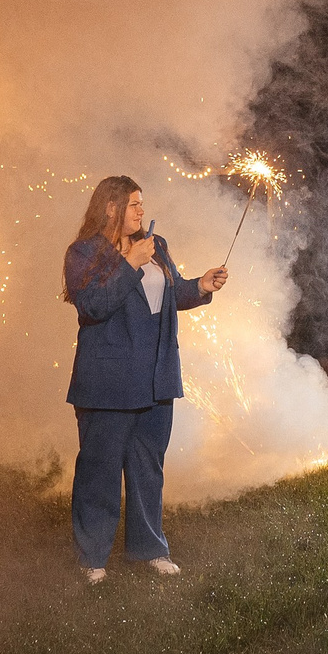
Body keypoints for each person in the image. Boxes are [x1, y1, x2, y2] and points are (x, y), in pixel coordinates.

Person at [62, 176, 228, 583]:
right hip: (108, 380)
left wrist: (200, 287)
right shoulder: (84, 252)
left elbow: (168, 298)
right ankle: (93, 559)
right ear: (110, 208)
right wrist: (129, 263)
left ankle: (149, 549)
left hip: (156, 377)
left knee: (148, 468)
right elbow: (94, 305)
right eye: (133, 204)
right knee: (99, 470)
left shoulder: (158, 246)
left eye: (142, 203)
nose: (141, 210)